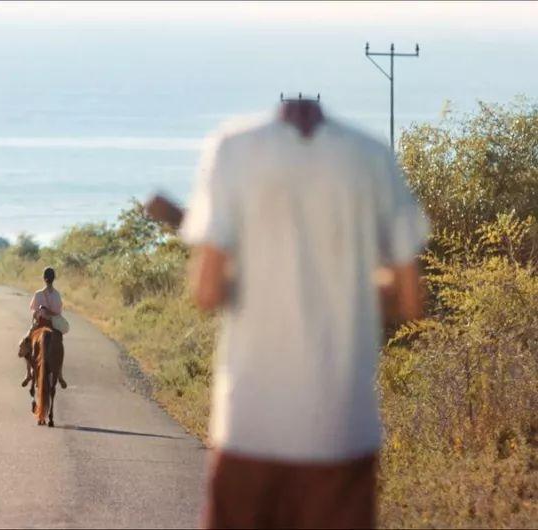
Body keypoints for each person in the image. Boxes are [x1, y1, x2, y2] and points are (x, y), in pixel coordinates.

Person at [165, 101, 427, 529]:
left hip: (249, 426)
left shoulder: (232, 148)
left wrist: (254, 281)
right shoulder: (373, 153)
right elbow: (411, 300)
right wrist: (346, 290)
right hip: (344, 431)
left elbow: (207, 292)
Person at [17, 267, 67, 389]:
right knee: (60, 346)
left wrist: (39, 313)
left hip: (40, 324)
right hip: (53, 325)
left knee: (25, 343)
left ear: (44, 279)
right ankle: (60, 375)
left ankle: (28, 373)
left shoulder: (38, 294)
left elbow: (33, 311)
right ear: (53, 279)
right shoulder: (57, 295)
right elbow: (58, 312)